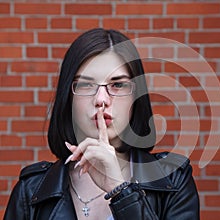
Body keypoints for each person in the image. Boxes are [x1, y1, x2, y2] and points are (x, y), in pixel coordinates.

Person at [4, 28, 200, 220]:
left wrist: (120, 191)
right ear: (68, 99)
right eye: (86, 84)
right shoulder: (30, 192)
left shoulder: (173, 181)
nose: (101, 99)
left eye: (118, 84)